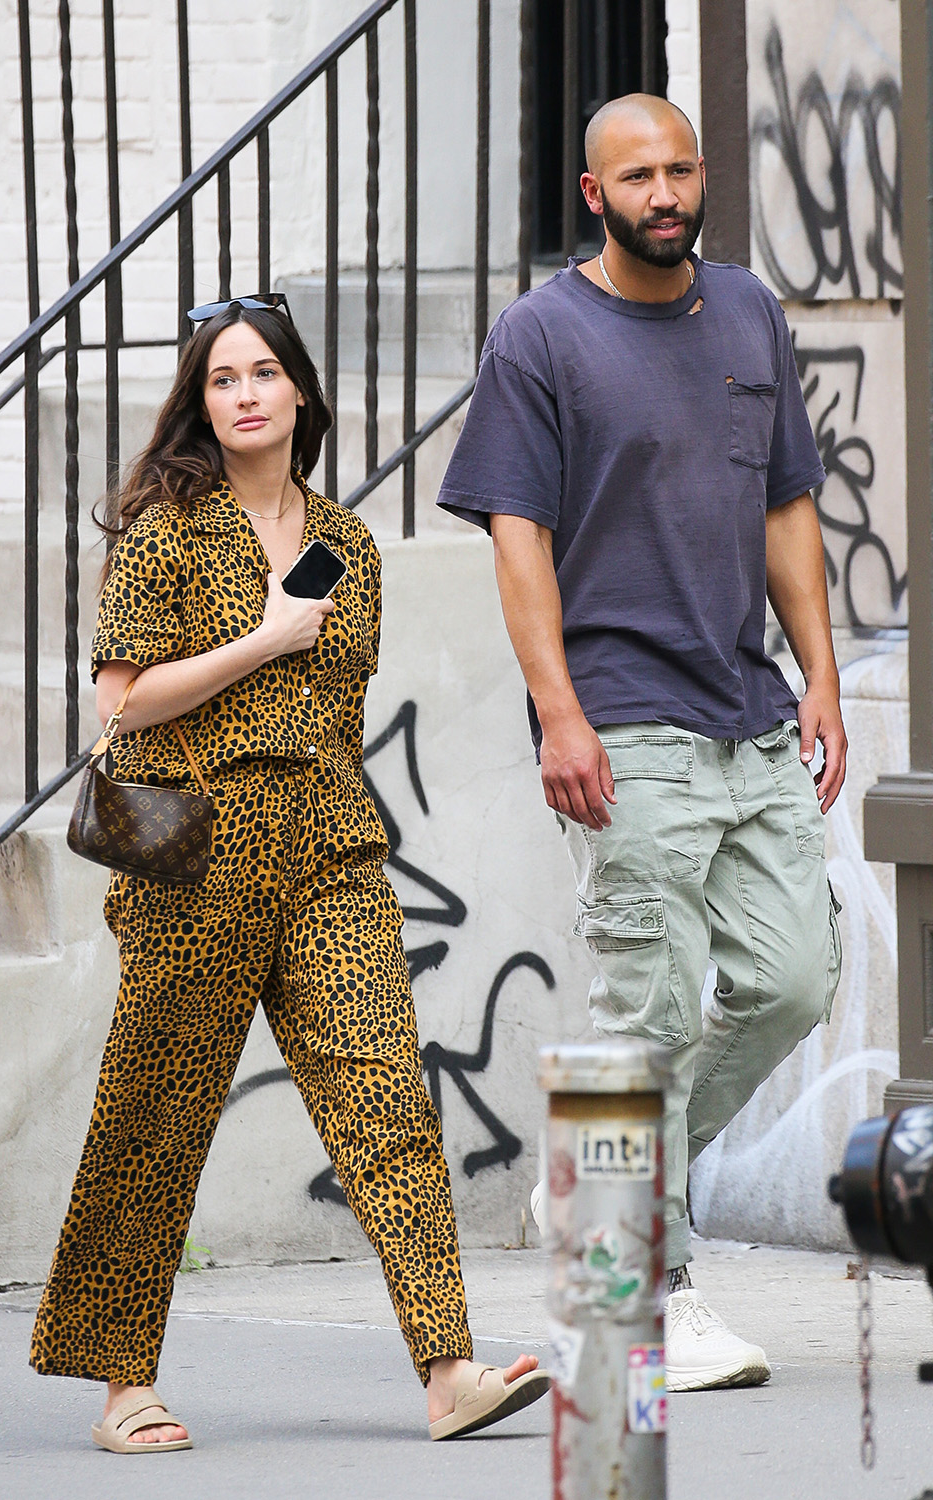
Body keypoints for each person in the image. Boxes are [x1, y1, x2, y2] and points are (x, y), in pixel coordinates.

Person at [30, 295, 549, 1450]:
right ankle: (123, 1387)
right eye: (223, 379)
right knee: (156, 1116)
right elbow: (120, 701)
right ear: (200, 403)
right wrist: (262, 636)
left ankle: (448, 1370)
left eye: (265, 372)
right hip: (196, 853)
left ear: (302, 391)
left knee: (386, 1101)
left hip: (328, 851)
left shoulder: (349, 545)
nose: (248, 393)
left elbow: (338, 709)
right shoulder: (166, 530)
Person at [437, 95, 845, 1392]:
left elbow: (787, 506)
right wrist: (559, 708)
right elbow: (518, 538)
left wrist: (821, 676)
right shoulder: (541, 335)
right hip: (622, 716)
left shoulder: (749, 314)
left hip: (749, 709)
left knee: (792, 981)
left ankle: (600, 1196)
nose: (663, 193)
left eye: (679, 170)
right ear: (592, 190)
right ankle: (635, 1298)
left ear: (701, 176)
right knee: (646, 1014)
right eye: (638, 177)